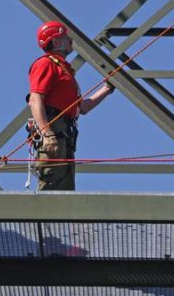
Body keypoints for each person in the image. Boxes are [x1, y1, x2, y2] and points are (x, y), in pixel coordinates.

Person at [27, 21, 114, 191]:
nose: (70, 40)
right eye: (66, 36)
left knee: (64, 191)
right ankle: (43, 218)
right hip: (55, 130)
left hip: (65, 136)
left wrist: (107, 89)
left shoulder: (64, 70)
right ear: (57, 42)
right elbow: (35, 99)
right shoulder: (46, 64)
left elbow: (83, 107)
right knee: (52, 187)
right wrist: (47, 134)